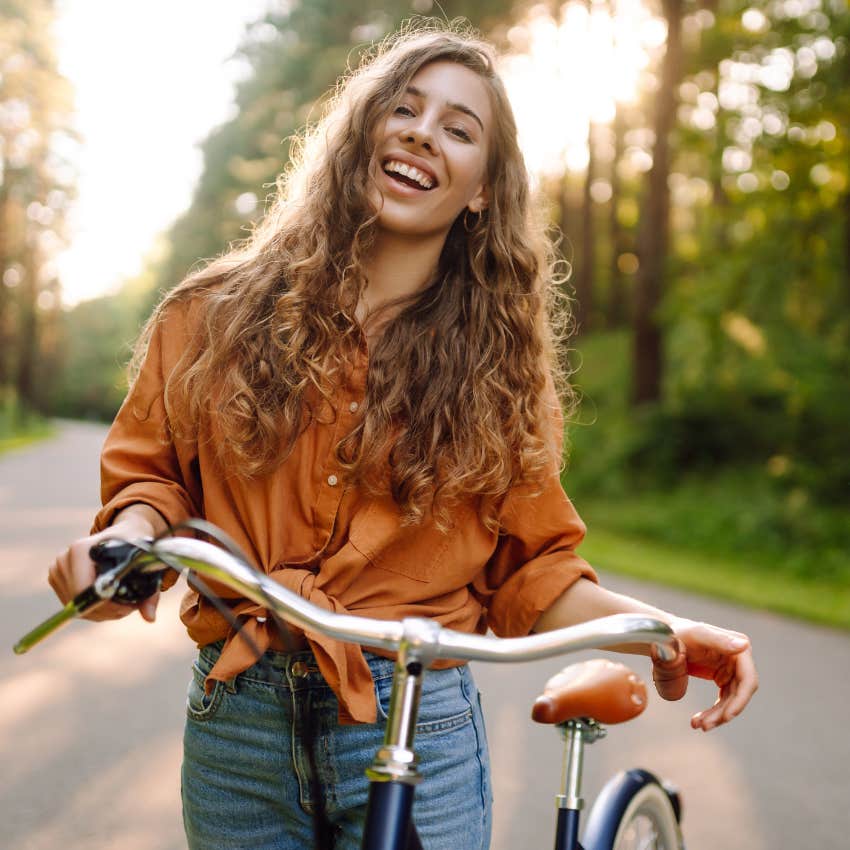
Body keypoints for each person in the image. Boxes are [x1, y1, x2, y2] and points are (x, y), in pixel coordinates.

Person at [48, 21, 757, 850]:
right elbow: (156, 479)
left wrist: (660, 628)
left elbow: (531, 573)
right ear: (364, 135)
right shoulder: (212, 315)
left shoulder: (496, 373)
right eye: (405, 110)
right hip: (238, 722)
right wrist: (126, 542)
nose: (425, 131)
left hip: (417, 720)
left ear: (482, 189)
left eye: (460, 129)